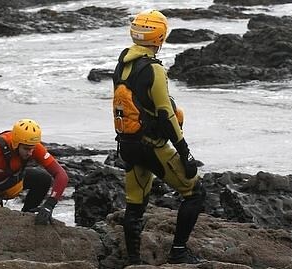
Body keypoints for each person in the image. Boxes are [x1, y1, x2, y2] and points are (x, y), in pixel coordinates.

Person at [112, 9, 206, 265]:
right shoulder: (154, 69)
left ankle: (133, 260)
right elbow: (166, 114)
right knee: (195, 192)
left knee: (135, 204)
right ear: (160, 37)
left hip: (127, 145)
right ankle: (178, 252)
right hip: (151, 146)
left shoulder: (123, 61)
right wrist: (184, 152)